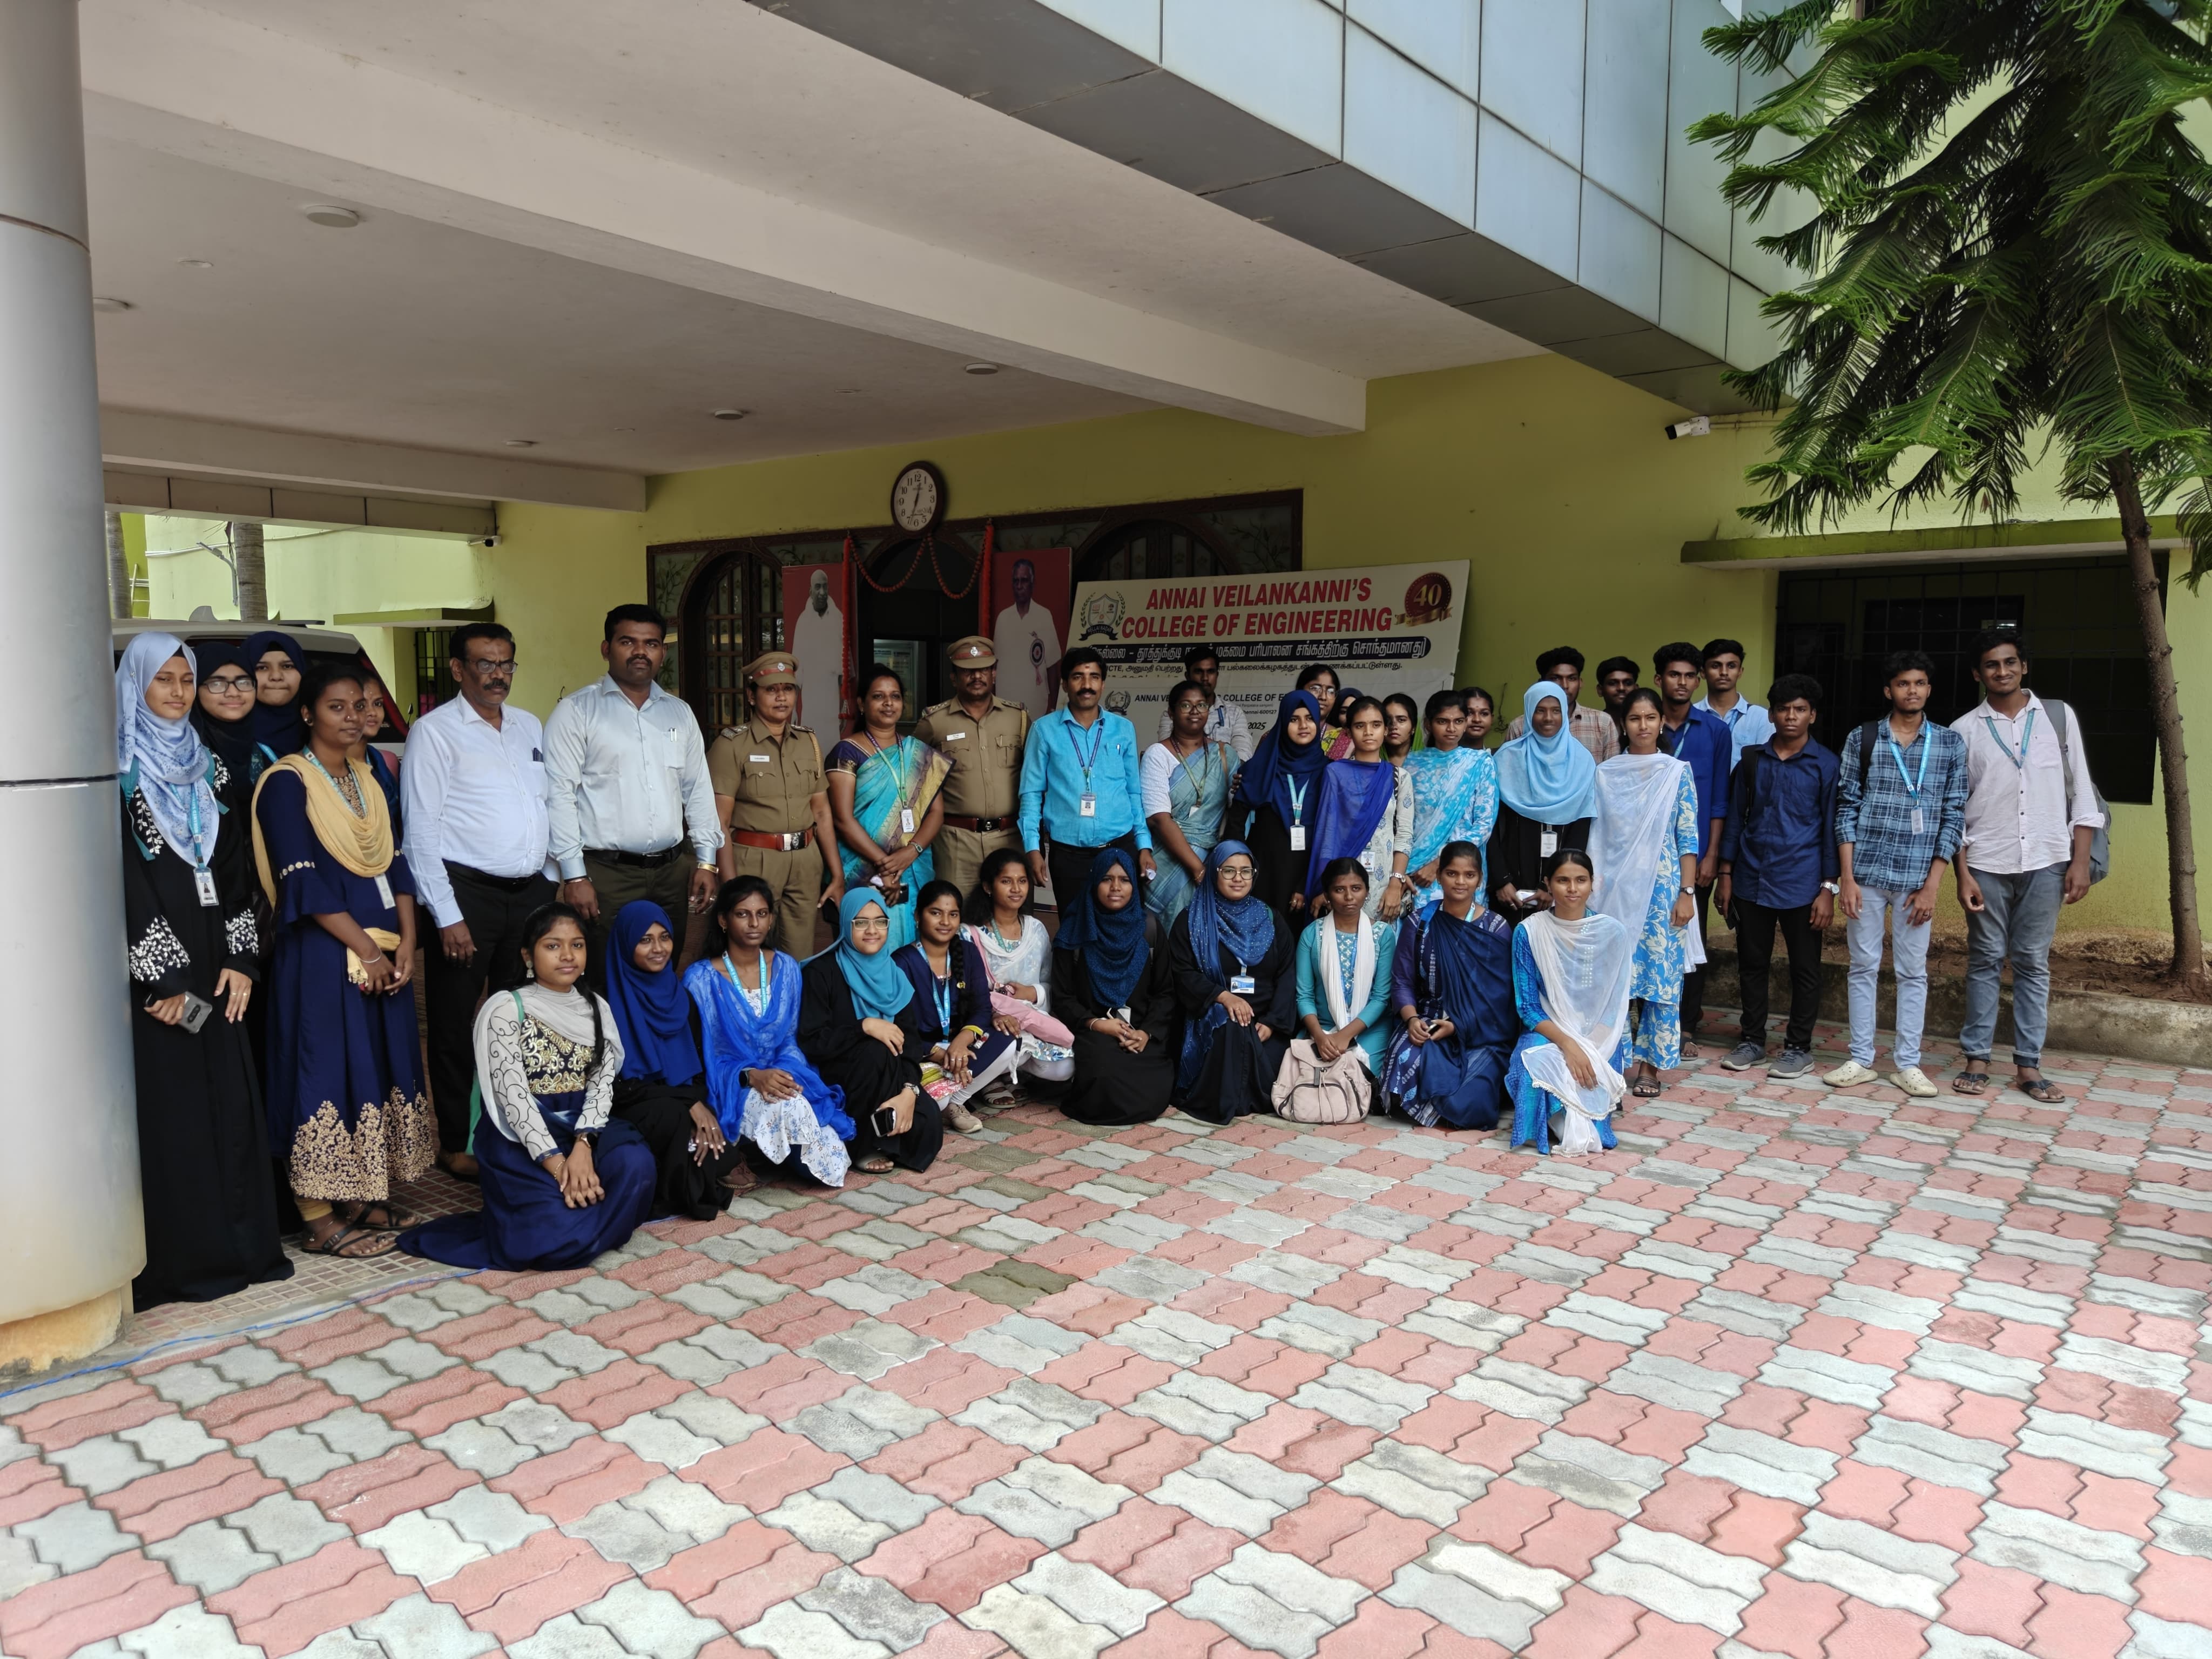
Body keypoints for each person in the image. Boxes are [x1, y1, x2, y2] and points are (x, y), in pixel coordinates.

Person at [117, 634, 291, 1307]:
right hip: (163, 973)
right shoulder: (119, 769)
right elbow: (119, 878)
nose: (177, 692)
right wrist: (160, 979)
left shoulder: (208, 765)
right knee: (179, 1107)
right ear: (135, 685)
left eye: (185, 680)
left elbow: (235, 869)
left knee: (230, 1099)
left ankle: (243, 1250)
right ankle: (188, 1262)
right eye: (162, 680)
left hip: (219, 961)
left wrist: (244, 960)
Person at [254, 663, 436, 1257]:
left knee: (374, 1069)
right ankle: (316, 1217)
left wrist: (406, 941)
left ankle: (360, 1196)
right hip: (324, 956)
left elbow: (395, 862)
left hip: (384, 953)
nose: (355, 717)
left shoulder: (368, 776)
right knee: (324, 1075)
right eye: (338, 707)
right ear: (308, 713)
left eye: (362, 705)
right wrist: (365, 948)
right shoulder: (288, 783)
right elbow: (301, 881)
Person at [400, 905, 656, 1269]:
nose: (567, 955)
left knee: (637, 1166)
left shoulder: (596, 1007)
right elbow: (513, 1096)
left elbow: (602, 1083)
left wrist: (583, 1146)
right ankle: (589, 1223)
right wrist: (559, 1166)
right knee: (550, 1241)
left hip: (583, 1127)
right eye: (553, 946)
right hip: (520, 1138)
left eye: (577, 945)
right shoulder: (506, 1007)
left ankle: (584, 1220)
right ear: (527, 955)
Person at [402, 622, 555, 1181]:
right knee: (453, 1024)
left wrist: (552, 880)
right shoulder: (434, 732)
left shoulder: (528, 725)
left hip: (529, 893)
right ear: (458, 669)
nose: (498, 675)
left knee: (519, 1015)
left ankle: (513, 1126)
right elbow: (421, 832)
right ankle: (455, 1141)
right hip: (466, 896)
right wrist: (447, 915)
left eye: (505, 664)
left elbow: (544, 805)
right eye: (485, 664)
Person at [1948, 628, 2103, 1103]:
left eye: (2010, 662)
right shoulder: (1963, 730)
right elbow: (1954, 810)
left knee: (2033, 962)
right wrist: (1962, 873)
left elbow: (2082, 792)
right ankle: (1977, 1058)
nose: (2002, 671)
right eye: (1992, 665)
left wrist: (2080, 861)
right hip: (1987, 861)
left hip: (2047, 859)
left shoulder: (2057, 717)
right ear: (1978, 674)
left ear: (2024, 666)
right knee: (1985, 959)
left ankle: (2028, 1065)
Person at [545, 605, 721, 983]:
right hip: (606, 875)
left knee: (662, 971)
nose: (641, 652)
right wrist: (574, 877)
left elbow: (698, 790)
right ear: (606, 649)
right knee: (605, 975)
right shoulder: (577, 712)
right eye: (628, 642)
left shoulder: (679, 713)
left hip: (672, 873)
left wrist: (707, 862)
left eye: (651, 644)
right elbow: (559, 796)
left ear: (663, 652)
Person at [1827, 651, 1969, 1100]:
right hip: (1866, 873)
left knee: (1912, 972)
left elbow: (1954, 814)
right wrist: (1846, 878)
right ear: (1889, 690)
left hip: (1916, 880)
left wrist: (1933, 886)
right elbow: (1846, 807)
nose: (1913, 690)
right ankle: (1860, 1058)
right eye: (1904, 683)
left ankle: (1908, 1064)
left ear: (1929, 689)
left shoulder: (1949, 743)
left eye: (1920, 683)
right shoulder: (1863, 737)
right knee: (1862, 967)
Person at [686, 877, 852, 1186]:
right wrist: (751, 1075)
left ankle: (767, 1150)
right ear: (723, 920)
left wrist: (782, 1076)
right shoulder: (701, 979)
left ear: (772, 919)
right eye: (743, 914)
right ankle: (750, 1149)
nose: (754, 924)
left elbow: (790, 1039)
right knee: (792, 1116)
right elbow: (703, 1053)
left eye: (762, 914)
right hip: (730, 1084)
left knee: (829, 1152)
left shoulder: (787, 967)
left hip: (784, 1074)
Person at [1717, 675, 1840, 1078]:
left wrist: (1829, 887)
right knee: (1752, 964)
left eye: (1800, 709)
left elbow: (1832, 830)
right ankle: (1752, 1040)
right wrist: (1726, 874)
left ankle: (1798, 1047)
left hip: (1803, 883)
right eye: (1784, 709)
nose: (1791, 716)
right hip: (1752, 878)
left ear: (1813, 716)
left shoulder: (1826, 766)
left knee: (1805, 969)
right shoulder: (1752, 762)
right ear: (1771, 715)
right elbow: (1735, 820)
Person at [603, 900, 752, 1216]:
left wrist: (696, 1104)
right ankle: (685, 1190)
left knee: (707, 1135)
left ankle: (691, 1173)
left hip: (678, 1098)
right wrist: (690, 1105)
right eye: (645, 940)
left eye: (665, 937)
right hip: (630, 1104)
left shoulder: (681, 997)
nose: (658, 949)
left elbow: (698, 1067)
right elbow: (617, 1088)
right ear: (626, 944)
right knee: (677, 1120)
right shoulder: (607, 1003)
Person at [1591, 689, 1702, 1100]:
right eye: (1635, 718)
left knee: (1660, 980)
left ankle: (1650, 1068)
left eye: (1650, 717)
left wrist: (1686, 892)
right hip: (1614, 891)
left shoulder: (1676, 772)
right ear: (1623, 724)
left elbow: (1687, 836)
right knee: (1616, 979)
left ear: (1661, 722)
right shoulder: (1606, 773)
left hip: (1663, 891)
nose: (1643, 725)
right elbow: (1597, 835)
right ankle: (1613, 1062)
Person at [707, 651, 842, 957]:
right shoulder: (731, 745)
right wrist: (731, 887)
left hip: (806, 861)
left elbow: (821, 812)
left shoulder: (809, 742)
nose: (782, 697)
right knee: (749, 952)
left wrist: (836, 874)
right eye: (771, 690)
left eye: (788, 689)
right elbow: (719, 823)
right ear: (751, 696)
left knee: (800, 957)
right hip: (754, 860)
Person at [799, 890, 943, 1174]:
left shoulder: (894, 974)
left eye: (880, 922)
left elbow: (911, 1045)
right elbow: (811, 1041)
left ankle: (889, 1132)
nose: (872, 931)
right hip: (841, 1078)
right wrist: (863, 1027)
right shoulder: (821, 972)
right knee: (875, 1050)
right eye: (861, 922)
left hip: (891, 1073)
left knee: (929, 1127)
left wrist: (909, 1091)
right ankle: (865, 1146)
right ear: (845, 925)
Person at [1381, 841, 1518, 1130]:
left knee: (1472, 1094)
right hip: (1427, 1020)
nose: (1460, 882)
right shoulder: (1420, 923)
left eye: (1469, 875)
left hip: (1482, 1030)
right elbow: (1402, 981)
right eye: (1452, 874)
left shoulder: (1496, 928)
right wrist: (1412, 1020)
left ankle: (1443, 1107)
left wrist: (1457, 1026)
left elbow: (1500, 999)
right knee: (1407, 1058)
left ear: (1480, 879)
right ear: (1440, 876)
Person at [1507, 850, 1630, 1156]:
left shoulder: (1612, 933)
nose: (1572, 889)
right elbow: (1527, 1006)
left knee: (1589, 1072)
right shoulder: (1529, 932)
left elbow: (1614, 1009)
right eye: (1563, 880)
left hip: (1598, 1033)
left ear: (1593, 884)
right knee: (1530, 1063)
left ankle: (1579, 1119)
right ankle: (1558, 1122)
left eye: (1581, 880)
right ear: (1548, 883)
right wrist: (1569, 1045)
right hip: (1548, 1028)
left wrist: (1588, 1046)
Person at [1020, 647, 1154, 914]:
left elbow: (1134, 793)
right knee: (1074, 927)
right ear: (1065, 684)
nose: (1087, 685)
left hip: (1120, 849)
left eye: (1094, 677)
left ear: (1103, 684)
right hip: (1069, 856)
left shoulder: (1123, 729)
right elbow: (1031, 794)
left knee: (1122, 927)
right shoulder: (1044, 731)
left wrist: (1144, 845)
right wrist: (1033, 849)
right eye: (1078, 677)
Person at [1169, 841, 1294, 1122]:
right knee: (1231, 1026)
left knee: (1268, 1062)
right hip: (1212, 1018)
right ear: (1214, 872)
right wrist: (1223, 996)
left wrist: (1273, 1022)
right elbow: (1182, 973)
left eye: (1246, 871)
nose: (1238, 878)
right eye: (1228, 871)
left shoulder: (1271, 918)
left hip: (1263, 1023)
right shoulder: (1191, 920)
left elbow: (1287, 973)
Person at [828, 663, 950, 950]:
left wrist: (912, 851)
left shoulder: (918, 752)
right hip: (864, 867)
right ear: (861, 704)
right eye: (878, 697)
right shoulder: (846, 752)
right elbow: (843, 819)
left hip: (913, 866)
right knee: (870, 944)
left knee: (915, 949)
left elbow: (936, 812)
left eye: (895, 696)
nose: (888, 703)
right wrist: (885, 865)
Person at [1052, 847, 1177, 1126]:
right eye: (1107, 879)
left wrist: (1147, 1033)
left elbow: (1165, 993)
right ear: (1094, 882)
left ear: (1134, 885)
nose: (1116, 887)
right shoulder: (1074, 931)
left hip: (1140, 1031)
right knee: (1103, 1071)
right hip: (1093, 1031)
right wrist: (1097, 1024)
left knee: (1153, 1080)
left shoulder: (1149, 929)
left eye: (1125, 880)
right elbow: (1062, 997)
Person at [1653, 642, 1734, 1051]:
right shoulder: (1645, 723)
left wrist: (1712, 856)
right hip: (1649, 854)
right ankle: (1646, 1019)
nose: (1681, 683)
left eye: (1689, 676)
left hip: (1694, 855)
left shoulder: (1716, 731)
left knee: (1690, 938)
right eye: (1674, 675)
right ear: (1659, 679)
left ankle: (1686, 1025)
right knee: (1648, 937)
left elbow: (1720, 799)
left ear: (1698, 680)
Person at [1280, 859, 1399, 1121]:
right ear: (1327, 895)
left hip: (1368, 1029)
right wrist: (1320, 1037)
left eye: (1356, 889)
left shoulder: (1383, 935)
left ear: (1367, 891)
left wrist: (1345, 1036)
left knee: (1354, 1069)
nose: (1349, 897)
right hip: (1321, 1027)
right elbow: (1304, 995)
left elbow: (1381, 998)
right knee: (1310, 1068)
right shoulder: (1312, 935)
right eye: (1339, 890)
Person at [915, 636, 1030, 900]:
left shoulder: (1019, 719)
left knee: (1012, 913)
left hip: (1010, 837)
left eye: (984, 669)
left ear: (994, 674)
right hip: (956, 841)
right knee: (955, 914)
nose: (977, 676)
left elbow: (1036, 777)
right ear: (954, 678)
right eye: (967, 671)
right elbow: (914, 785)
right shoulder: (934, 723)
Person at [895, 881, 1015, 1134]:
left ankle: (957, 1102)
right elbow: (900, 1027)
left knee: (1008, 1041)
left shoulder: (968, 952)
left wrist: (961, 1043)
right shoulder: (902, 962)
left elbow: (982, 1008)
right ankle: (945, 1099)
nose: (945, 922)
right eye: (935, 913)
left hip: (961, 1048)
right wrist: (941, 1055)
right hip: (923, 1052)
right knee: (935, 1100)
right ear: (918, 916)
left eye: (953, 914)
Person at [964, 848, 1078, 1092]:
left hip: (1030, 1022)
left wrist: (1032, 993)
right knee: (1006, 1044)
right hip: (987, 1024)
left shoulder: (1036, 929)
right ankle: (990, 1081)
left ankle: (1010, 1072)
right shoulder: (968, 933)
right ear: (988, 887)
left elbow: (1052, 984)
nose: (1016, 889)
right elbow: (961, 991)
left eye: (1022, 881)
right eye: (1006, 881)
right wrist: (993, 1014)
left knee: (1065, 1068)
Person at [1487, 683, 1597, 925]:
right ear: (1528, 713)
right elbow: (1490, 825)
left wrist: (1552, 885)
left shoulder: (1582, 761)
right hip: (1509, 886)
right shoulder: (1506, 758)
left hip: (1558, 889)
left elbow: (1580, 828)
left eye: (1556, 711)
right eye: (1540, 710)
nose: (1548, 718)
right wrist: (1501, 880)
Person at [1143, 678, 1241, 925]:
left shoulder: (1225, 755)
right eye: (1186, 705)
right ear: (1171, 712)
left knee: (1200, 932)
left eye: (1202, 705)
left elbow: (1237, 809)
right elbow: (1159, 819)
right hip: (1166, 861)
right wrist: (1199, 871)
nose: (1195, 711)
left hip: (1212, 858)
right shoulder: (1158, 755)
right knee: (1162, 934)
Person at [1306, 697, 1413, 920]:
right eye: (1360, 726)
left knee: (1380, 941)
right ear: (1348, 732)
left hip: (1384, 885)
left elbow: (1404, 834)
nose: (1368, 732)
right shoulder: (1335, 773)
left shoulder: (1399, 777)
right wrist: (1325, 885)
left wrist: (1396, 883)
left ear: (1386, 730)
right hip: (1342, 882)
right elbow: (1327, 832)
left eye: (1376, 725)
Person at [1236, 690, 1328, 918]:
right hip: (1262, 873)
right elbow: (1235, 824)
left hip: (1308, 874)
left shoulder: (1330, 771)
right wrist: (1240, 871)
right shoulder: (1262, 767)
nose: (1303, 726)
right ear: (1283, 722)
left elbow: (1330, 834)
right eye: (1294, 719)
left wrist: (1306, 884)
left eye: (1309, 719)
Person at [1405, 688, 1499, 908]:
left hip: (1460, 871)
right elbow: (1404, 823)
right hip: (1415, 869)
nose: (1451, 729)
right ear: (1428, 725)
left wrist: (1440, 863)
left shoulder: (1480, 763)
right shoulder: (1411, 764)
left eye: (1458, 721)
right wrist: (1403, 871)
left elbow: (1484, 825)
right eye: (1443, 722)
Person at [1502, 648, 1620, 761]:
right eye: (1555, 678)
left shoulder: (1602, 723)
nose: (1565, 685)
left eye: (1572, 679)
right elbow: (1510, 769)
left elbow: (1613, 772)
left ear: (1580, 683)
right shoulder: (1519, 727)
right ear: (1541, 683)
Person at [190, 640, 264, 808]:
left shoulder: (268, 747)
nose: (233, 693)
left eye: (244, 682)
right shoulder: (183, 753)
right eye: (217, 683)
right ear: (195, 689)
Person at [1154, 645, 1255, 760]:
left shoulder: (1234, 713)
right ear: (1188, 676)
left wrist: (1219, 768)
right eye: (1199, 672)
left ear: (1217, 675)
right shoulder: (1175, 712)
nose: (1205, 678)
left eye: (1211, 672)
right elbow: (1168, 754)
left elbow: (1242, 757)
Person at [994, 557, 1062, 719]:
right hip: (1005, 705)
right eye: (1016, 581)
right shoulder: (1003, 618)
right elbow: (994, 665)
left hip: (1036, 705)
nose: (1019, 586)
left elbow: (1052, 666)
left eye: (1024, 581)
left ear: (1033, 582)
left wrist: (1054, 707)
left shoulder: (1044, 616)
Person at [1695, 638, 1776, 770]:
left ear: (1740, 672)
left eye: (1731, 666)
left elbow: (1765, 768)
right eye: (1715, 666)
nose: (1724, 672)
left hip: (1744, 784)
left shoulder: (1761, 718)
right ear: (1703, 672)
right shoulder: (1692, 715)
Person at [791, 567, 846, 733]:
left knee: (832, 746)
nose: (822, 592)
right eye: (818, 587)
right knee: (811, 744)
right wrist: (794, 710)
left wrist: (844, 707)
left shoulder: (838, 619)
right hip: (810, 704)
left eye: (825, 586)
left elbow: (845, 670)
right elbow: (796, 673)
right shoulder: (803, 622)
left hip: (832, 703)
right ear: (810, 591)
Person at [242, 629, 306, 765]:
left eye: (287, 666)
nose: (276, 676)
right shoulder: (229, 736)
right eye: (262, 668)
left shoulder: (325, 729)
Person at [350, 673, 402, 838]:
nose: (373, 712)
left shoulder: (381, 762)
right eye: (361, 705)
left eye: (378, 704)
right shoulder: (327, 766)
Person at [1594, 657, 1641, 734]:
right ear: (1600, 690)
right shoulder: (1591, 727)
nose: (1621, 688)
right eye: (1612, 683)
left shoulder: (1646, 726)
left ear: (1636, 689)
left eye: (1628, 683)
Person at [1381, 693, 1420, 765]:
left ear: (1414, 727)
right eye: (1387, 720)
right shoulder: (1371, 760)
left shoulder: (1427, 761)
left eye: (1401, 720)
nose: (1393, 726)